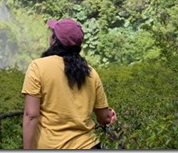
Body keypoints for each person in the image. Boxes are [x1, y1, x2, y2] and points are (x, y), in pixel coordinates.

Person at [22, 18, 117, 149]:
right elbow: (104, 118)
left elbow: (31, 115)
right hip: (89, 146)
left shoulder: (38, 67)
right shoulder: (90, 73)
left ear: (54, 40)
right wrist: (110, 114)